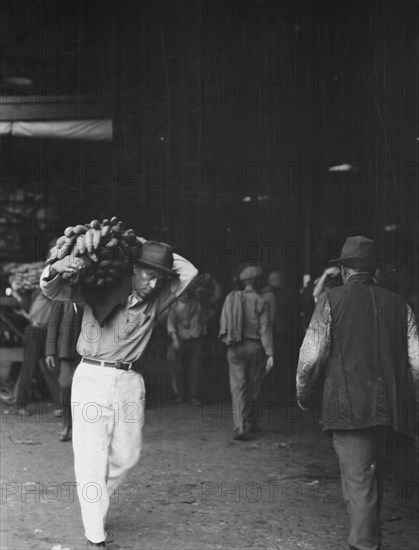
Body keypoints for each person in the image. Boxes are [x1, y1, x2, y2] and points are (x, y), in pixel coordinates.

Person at [40, 239, 198, 548]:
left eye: (159, 278)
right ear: (133, 270)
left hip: (128, 381)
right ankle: (94, 532)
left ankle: (96, 501)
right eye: (147, 275)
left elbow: (189, 271)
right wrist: (54, 268)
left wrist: (136, 241)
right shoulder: (98, 288)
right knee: (90, 456)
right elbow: (54, 290)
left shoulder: (157, 299)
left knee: (127, 457)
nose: (153, 284)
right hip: (92, 377)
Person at [296, 236, 419, 550]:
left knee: (359, 479)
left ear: (345, 269)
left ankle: (364, 544)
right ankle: (368, 537)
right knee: (373, 477)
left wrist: (304, 393)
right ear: (372, 269)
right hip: (392, 408)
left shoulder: (330, 300)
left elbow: (311, 356)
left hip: (348, 406)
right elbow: (416, 362)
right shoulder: (400, 303)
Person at [219, 264, 274, 440]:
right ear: (257, 282)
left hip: (234, 347)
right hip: (254, 347)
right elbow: (265, 329)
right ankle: (251, 422)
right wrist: (270, 353)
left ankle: (239, 425)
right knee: (254, 386)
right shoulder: (261, 301)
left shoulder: (232, 298)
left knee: (237, 387)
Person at [45, 300, 83, 441]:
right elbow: (53, 324)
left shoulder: (88, 293)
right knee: (66, 385)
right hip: (66, 350)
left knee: (86, 388)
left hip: (87, 351)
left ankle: (82, 428)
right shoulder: (60, 296)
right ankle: (67, 425)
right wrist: (50, 351)